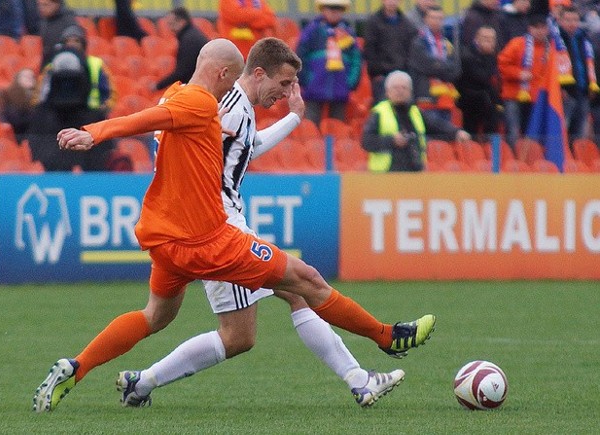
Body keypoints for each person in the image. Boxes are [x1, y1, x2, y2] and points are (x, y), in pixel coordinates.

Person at [32, 38, 436, 412]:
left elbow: (241, 144)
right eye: (284, 82)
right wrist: (94, 132)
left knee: (183, 321)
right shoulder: (210, 102)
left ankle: (88, 368)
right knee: (304, 284)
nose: (285, 92)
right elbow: (153, 117)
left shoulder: (190, 96)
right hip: (212, 232)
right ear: (244, 73)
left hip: (170, 234)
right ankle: (381, 346)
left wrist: (294, 118)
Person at [362, 70, 471, 172]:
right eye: (395, 88)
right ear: (387, 92)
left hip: (415, 173)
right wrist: (392, 140)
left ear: (410, 92)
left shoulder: (416, 112)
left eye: (404, 88)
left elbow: (437, 125)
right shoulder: (379, 112)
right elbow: (366, 141)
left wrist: (457, 132)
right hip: (387, 176)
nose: (400, 91)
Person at [27, 48, 114, 171]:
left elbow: (103, 158)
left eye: (72, 81)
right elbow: (38, 153)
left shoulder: (95, 118)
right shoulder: (42, 117)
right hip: (53, 177)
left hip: (90, 180)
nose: (66, 86)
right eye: (61, 81)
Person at [296, 0, 362, 126]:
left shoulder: (348, 32)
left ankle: (333, 147)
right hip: (314, 88)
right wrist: (306, 79)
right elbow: (300, 55)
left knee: (337, 127)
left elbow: (356, 59)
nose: (334, 12)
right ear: (323, 9)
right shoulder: (312, 30)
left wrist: (350, 82)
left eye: (338, 9)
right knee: (311, 125)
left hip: (340, 88)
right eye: (330, 9)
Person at [498, 11, 552, 148]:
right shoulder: (517, 44)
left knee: (533, 134)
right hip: (514, 96)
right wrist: (519, 74)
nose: (540, 31)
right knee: (513, 132)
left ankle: (531, 162)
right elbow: (501, 64)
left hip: (537, 99)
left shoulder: (551, 49)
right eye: (536, 27)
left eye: (543, 28)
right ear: (530, 28)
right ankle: (514, 161)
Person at [37, 25, 116, 112]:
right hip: (57, 115)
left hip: (90, 116)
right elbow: (40, 95)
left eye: (76, 41)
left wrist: (100, 112)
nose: (72, 44)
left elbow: (109, 95)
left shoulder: (96, 64)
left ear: (83, 44)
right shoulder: (52, 66)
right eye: (68, 41)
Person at [407, 5, 462, 123]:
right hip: (425, 96)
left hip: (445, 99)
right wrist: (445, 68)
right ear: (425, 20)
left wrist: (438, 66)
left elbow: (456, 69)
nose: (436, 21)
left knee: (446, 135)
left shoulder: (447, 44)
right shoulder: (418, 42)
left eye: (440, 18)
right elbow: (426, 66)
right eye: (433, 18)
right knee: (430, 136)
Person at [363, 0, 419, 104]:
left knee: (403, 110)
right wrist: (376, 73)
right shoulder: (373, 22)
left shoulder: (407, 24)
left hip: (403, 75)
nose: (391, 2)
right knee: (383, 110)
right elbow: (369, 50)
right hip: (381, 77)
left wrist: (407, 73)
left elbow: (412, 51)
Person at [557, 5, 599, 143]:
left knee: (581, 129)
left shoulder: (584, 39)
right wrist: (560, 88)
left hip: (583, 90)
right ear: (560, 20)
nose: (572, 23)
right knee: (564, 126)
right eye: (568, 20)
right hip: (565, 91)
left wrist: (591, 85)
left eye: (575, 20)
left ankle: (576, 159)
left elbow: (589, 64)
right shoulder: (556, 40)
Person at [456, 26, 503, 141]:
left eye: (492, 39)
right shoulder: (467, 56)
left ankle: (489, 149)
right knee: (471, 131)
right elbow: (482, 77)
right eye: (486, 38)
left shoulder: (492, 55)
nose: (490, 42)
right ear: (477, 38)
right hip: (469, 100)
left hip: (485, 99)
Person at [153, 7, 209, 91]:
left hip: (198, 87)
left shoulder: (189, 40)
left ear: (182, 22)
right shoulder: (193, 35)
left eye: (171, 24)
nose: (170, 29)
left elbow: (182, 71)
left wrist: (158, 86)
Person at [0, 67, 37, 143]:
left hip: (32, 135)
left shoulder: (39, 96)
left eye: (32, 77)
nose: (30, 78)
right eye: (26, 76)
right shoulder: (7, 94)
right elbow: (3, 114)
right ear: (17, 79)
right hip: (14, 132)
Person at [37, 0, 78, 67]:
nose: (41, 8)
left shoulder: (68, 21)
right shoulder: (44, 19)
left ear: (56, 4)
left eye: (46, 5)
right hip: (47, 61)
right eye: (39, 5)